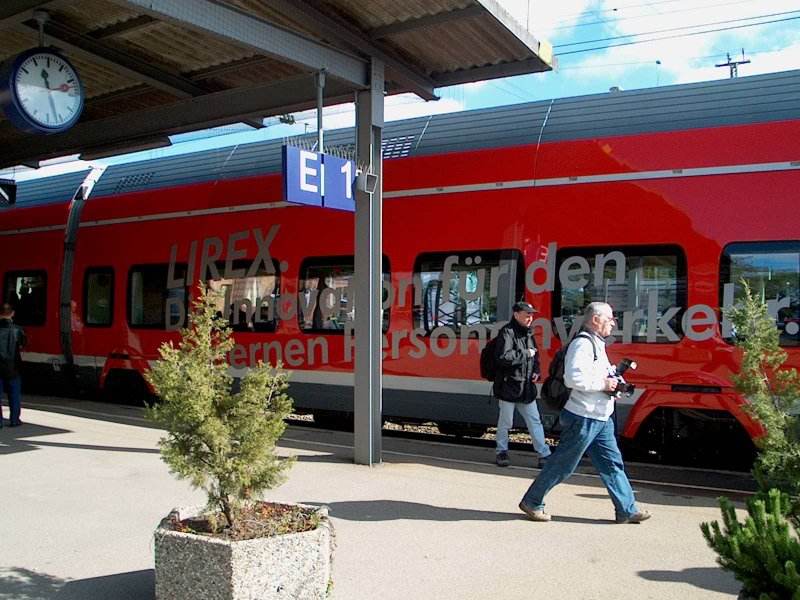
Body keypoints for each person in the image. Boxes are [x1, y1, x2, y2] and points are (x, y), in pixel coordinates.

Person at [518, 301, 651, 524]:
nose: (613, 323)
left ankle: (626, 510)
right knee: (563, 465)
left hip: (600, 417)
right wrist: (604, 385)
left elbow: (600, 374)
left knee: (612, 464)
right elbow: (573, 378)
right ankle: (532, 501)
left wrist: (614, 384)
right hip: (583, 417)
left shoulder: (597, 344)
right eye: (609, 319)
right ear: (595, 320)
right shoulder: (583, 344)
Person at [493, 301, 552, 468]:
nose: (530, 318)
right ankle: (501, 451)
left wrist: (537, 371)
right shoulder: (507, 332)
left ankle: (544, 453)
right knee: (507, 422)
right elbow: (503, 357)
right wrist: (527, 353)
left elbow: (535, 357)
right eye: (527, 315)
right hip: (509, 386)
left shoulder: (528, 333)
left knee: (534, 420)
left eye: (531, 315)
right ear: (516, 314)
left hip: (525, 386)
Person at [0, 303, 27, 428]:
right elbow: (23, 344)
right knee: (14, 393)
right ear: (12, 313)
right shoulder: (17, 329)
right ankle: (14, 419)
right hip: (13, 365)